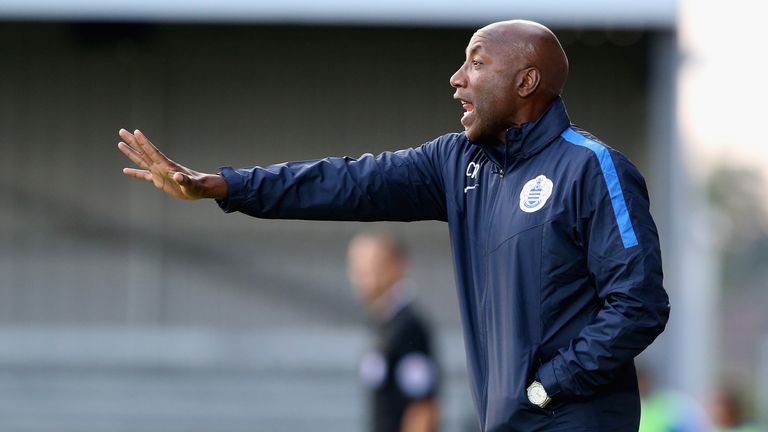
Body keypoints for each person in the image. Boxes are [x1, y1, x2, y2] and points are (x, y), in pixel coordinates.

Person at [117, 19, 670, 431]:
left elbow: (639, 304)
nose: (457, 79)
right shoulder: (460, 164)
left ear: (526, 82)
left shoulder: (592, 168)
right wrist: (226, 186)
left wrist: (551, 387)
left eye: (476, 63)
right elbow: (347, 182)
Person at [348, 232, 440, 432]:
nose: (362, 276)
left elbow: (423, 408)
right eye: (358, 268)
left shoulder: (408, 327)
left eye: (374, 265)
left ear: (398, 265)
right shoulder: (383, 323)